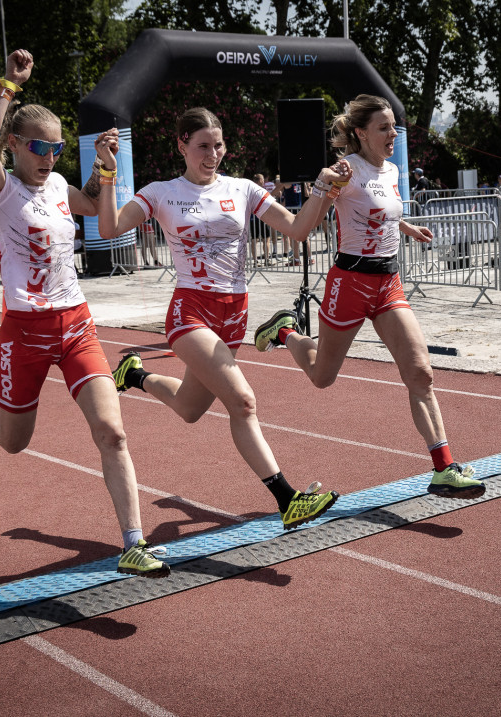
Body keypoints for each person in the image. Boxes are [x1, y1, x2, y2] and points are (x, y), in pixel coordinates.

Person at [0, 49, 169, 578]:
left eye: (57, 148)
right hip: (25, 332)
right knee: (14, 442)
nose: (49, 157)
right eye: (39, 147)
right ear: (15, 144)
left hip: (77, 324)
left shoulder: (59, 185)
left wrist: (104, 164)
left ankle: (133, 542)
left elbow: (92, 203)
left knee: (112, 432)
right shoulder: (0, 189)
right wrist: (7, 86)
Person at [94, 107, 347, 530]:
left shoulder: (242, 189)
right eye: (202, 146)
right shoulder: (161, 192)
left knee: (189, 408)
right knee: (242, 402)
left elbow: (298, 229)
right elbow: (109, 228)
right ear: (182, 145)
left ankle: (134, 375)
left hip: (235, 313)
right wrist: (107, 173)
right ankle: (288, 500)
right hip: (190, 311)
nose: (212, 155)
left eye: (218, 145)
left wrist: (324, 188)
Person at [253, 94, 485, 500]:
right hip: (350, 282)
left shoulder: (391, 170)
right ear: (361, 133)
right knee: (322, 377)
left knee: (421, 373)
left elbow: (383, 211)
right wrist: (324, 184)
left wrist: (407, 229)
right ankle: (286, 332)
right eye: (384, 127)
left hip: (388, 283)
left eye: (393, 126)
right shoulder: (347, 171)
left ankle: (444, 468)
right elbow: (310, 222)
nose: (393, 133)